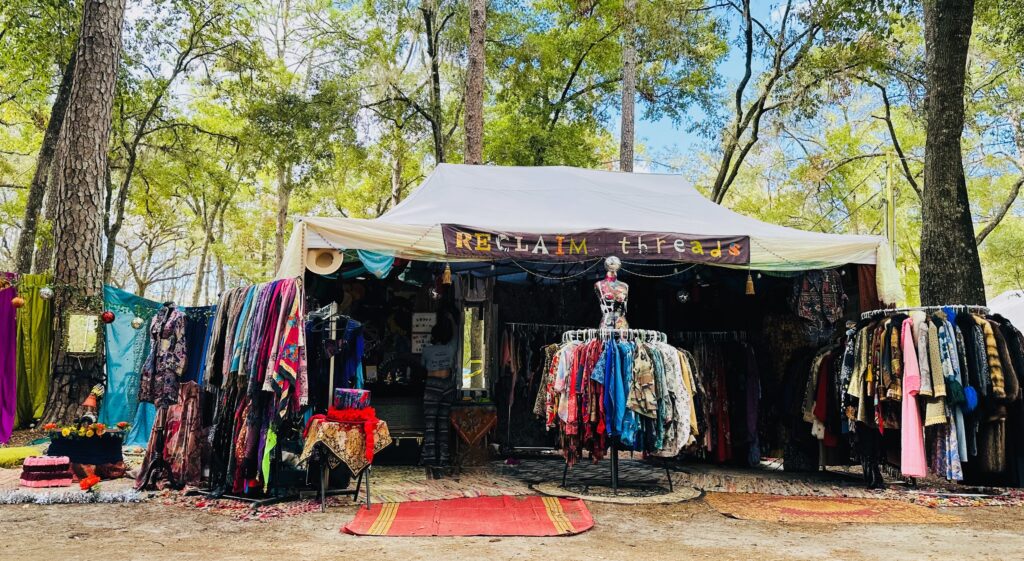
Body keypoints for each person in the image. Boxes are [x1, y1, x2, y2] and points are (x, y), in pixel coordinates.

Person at [420, 318, 456, 478]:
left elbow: (423, 365)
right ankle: (444, 457)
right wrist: (452, 318)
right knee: (443, 423)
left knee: (429, 424)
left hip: (433, 384)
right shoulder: (451, 348)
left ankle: (429, 457)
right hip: (448, 385)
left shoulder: (427, 350)